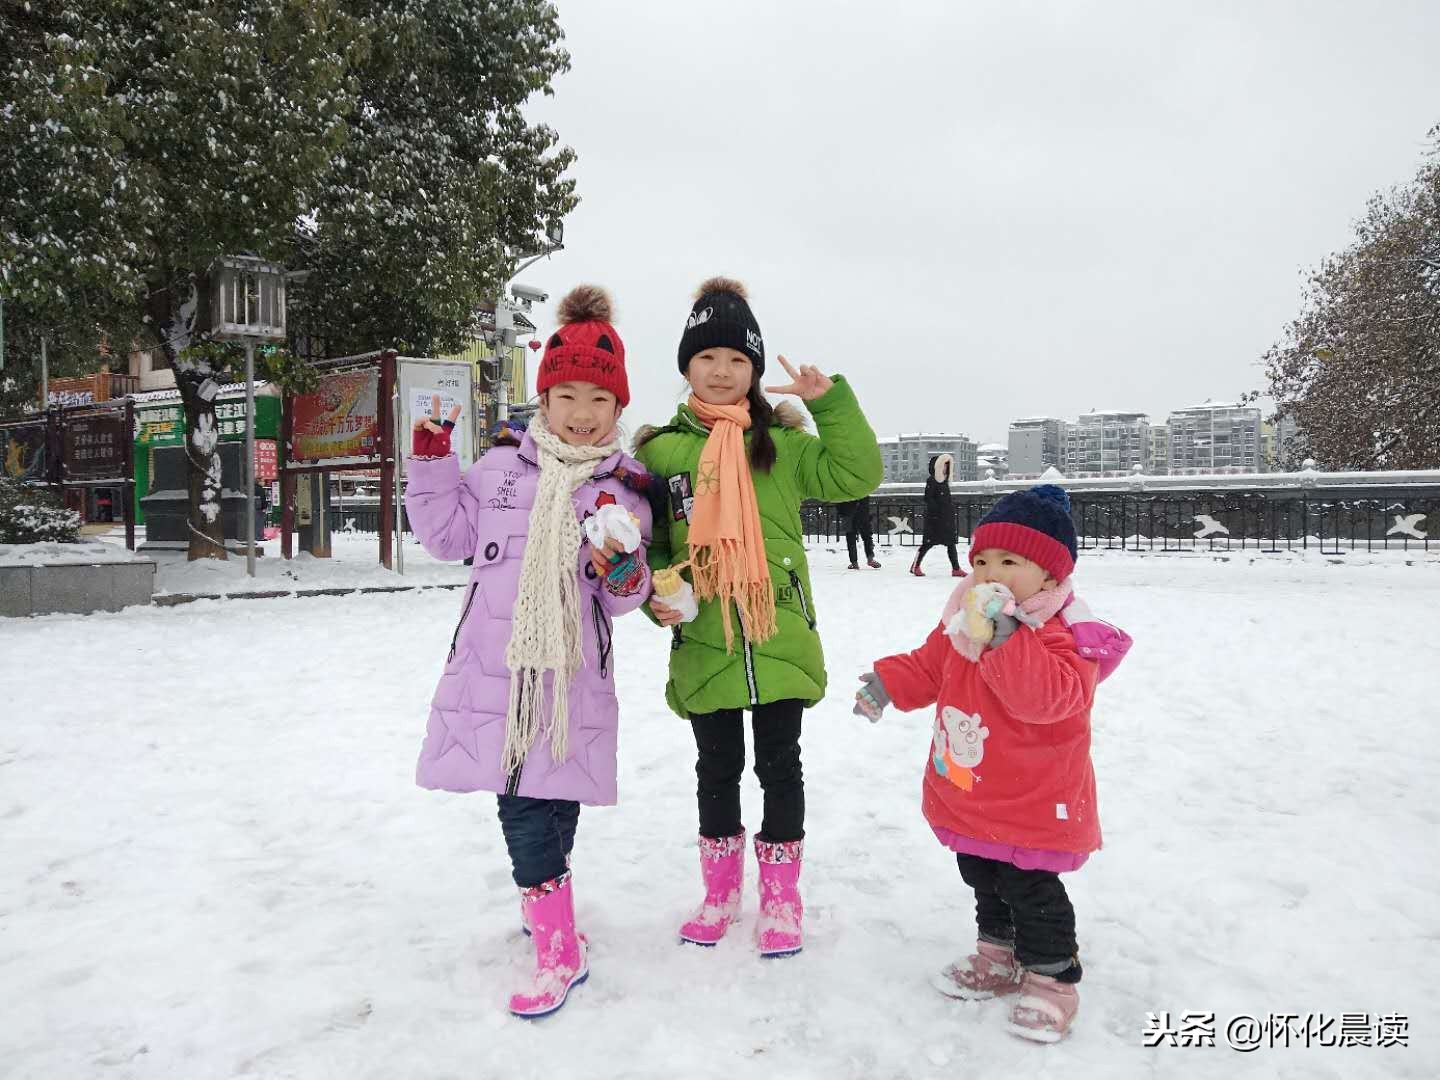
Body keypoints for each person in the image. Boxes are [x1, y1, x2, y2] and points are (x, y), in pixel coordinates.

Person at [404, 286, 654, 1019]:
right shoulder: (499, 470)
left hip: (571, 674)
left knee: (558, 797)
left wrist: (623, 567)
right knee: (520, 801)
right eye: (566, 394)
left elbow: (624, 600)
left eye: (598, 400)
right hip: (496, 669)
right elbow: (447, 538)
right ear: (543, 399)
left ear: (617, 410)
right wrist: (430, 461)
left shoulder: (625, 495)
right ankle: (556, 940)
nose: (581, 411)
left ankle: (549, 908)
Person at [635, 277, 882, 956]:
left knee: (781, 765)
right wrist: (660, 597)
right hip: (706, 635)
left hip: (778, 633)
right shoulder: (659, 453)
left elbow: (855, 476)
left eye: (738, 360)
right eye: (707, 357)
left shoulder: (784, 448)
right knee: (714, 770)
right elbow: (649, 542)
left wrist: (830, 406)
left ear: (754, 370)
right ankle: (719, 894)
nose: (722, 371)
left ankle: (780, 899)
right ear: (686, 365)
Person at [854, 485, 1131, 1042]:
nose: (989, 573)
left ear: (1051, 577)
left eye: (1009, 562)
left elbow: (1048, 698)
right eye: (981, 560)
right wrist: (888, 683)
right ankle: (998, 956)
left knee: (1030, 886)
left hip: (1035, 796)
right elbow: (930, 666)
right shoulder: (963, 626)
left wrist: (1007, 639)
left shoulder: (1064, 636)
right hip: (973, 787)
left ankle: (1053, 981)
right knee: (981, 873)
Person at [911, 453, 960, 576]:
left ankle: (956, 569)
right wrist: (937, 512)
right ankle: (915, 566)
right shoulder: (932, 480)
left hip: (946, 518)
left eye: (947, 466)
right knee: (927, 544)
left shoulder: (945, 481)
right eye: (943, 465)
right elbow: (928, 498)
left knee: (951, 543)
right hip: (935, 519)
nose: (945, 468)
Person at [839, 495, 880, 569]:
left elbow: (839, 501)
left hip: (849, 515)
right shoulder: (862, 487)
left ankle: (854, 563)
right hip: (862, 513)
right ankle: (870, 558)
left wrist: (842, 513)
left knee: (851, 539)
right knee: (867, 537)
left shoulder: (844, 487)